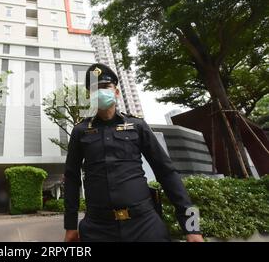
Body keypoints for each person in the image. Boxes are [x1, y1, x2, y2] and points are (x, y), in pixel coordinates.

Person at [64, 63, 204, 242]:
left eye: (105, 87)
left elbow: (167, 172)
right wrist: (70, 227)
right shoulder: (80, 131)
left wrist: (193, 227)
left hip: (145, 225)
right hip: (98, 228)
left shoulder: (137, 126)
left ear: (116, 92)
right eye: (94, 89)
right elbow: (71, 178)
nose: (100, 92)